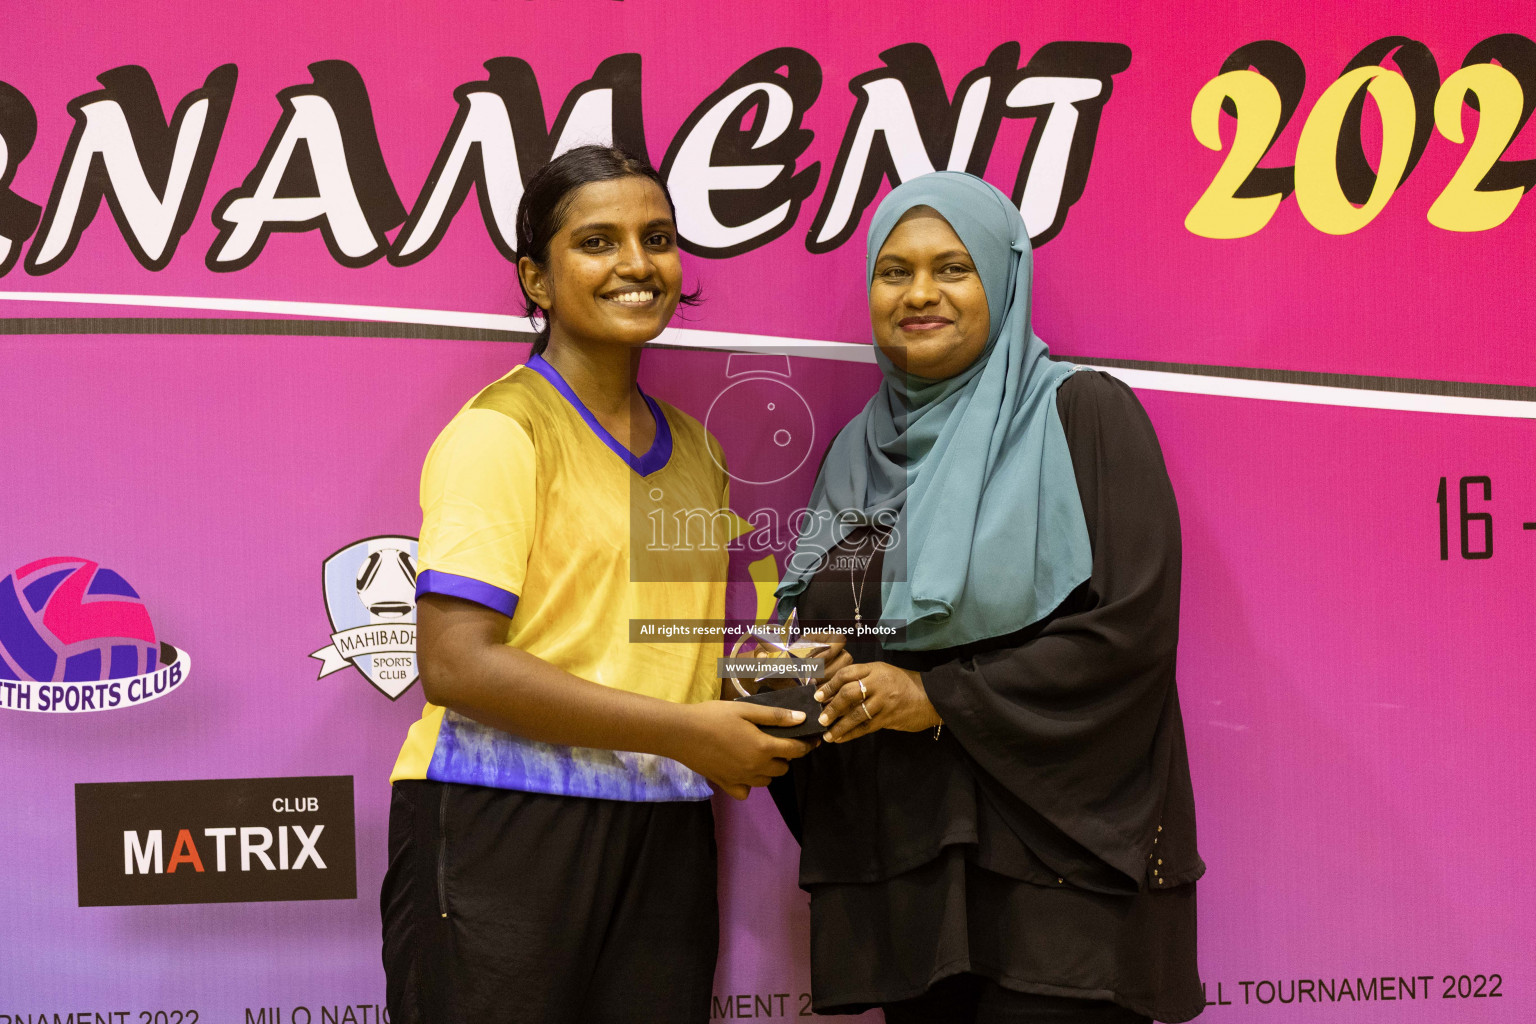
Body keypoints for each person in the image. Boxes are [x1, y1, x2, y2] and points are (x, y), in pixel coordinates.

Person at [380, 145, 816, 1024]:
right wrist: (690, 732)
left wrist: (803, 683)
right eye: (596, 242)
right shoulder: (502, 433)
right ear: (535, 279)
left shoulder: (698, 452)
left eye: (656, 238)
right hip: (503, 823)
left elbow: (655, 651)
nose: (635, 264)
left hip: (663, 836)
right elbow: (458, 666)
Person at [773, 171, 1204, 1023]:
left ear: (1005, 279)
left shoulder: (1083, 415)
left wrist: (931, 695)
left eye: (952, 268)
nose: (919, 293)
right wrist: (787, 677)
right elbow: (824, 635)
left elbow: (1129, 636)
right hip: (912, 880)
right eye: (893, 271)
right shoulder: (857, 457)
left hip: (1062, 874)